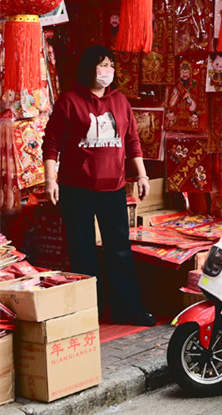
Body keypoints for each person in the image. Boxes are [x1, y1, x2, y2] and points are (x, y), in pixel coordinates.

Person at [41, 45, 155, 326]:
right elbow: (51, 143)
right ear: (88, 68)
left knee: (119, 250)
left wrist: (141, 175)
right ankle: (88, 310)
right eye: (101, 65)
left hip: (113, 189)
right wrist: (50, 179)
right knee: (82, 251)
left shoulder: (120, 102)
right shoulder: (69, 101)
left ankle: (127, 309)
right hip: (76, 189)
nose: (106, 70)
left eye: (110, 65)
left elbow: (132, 141)